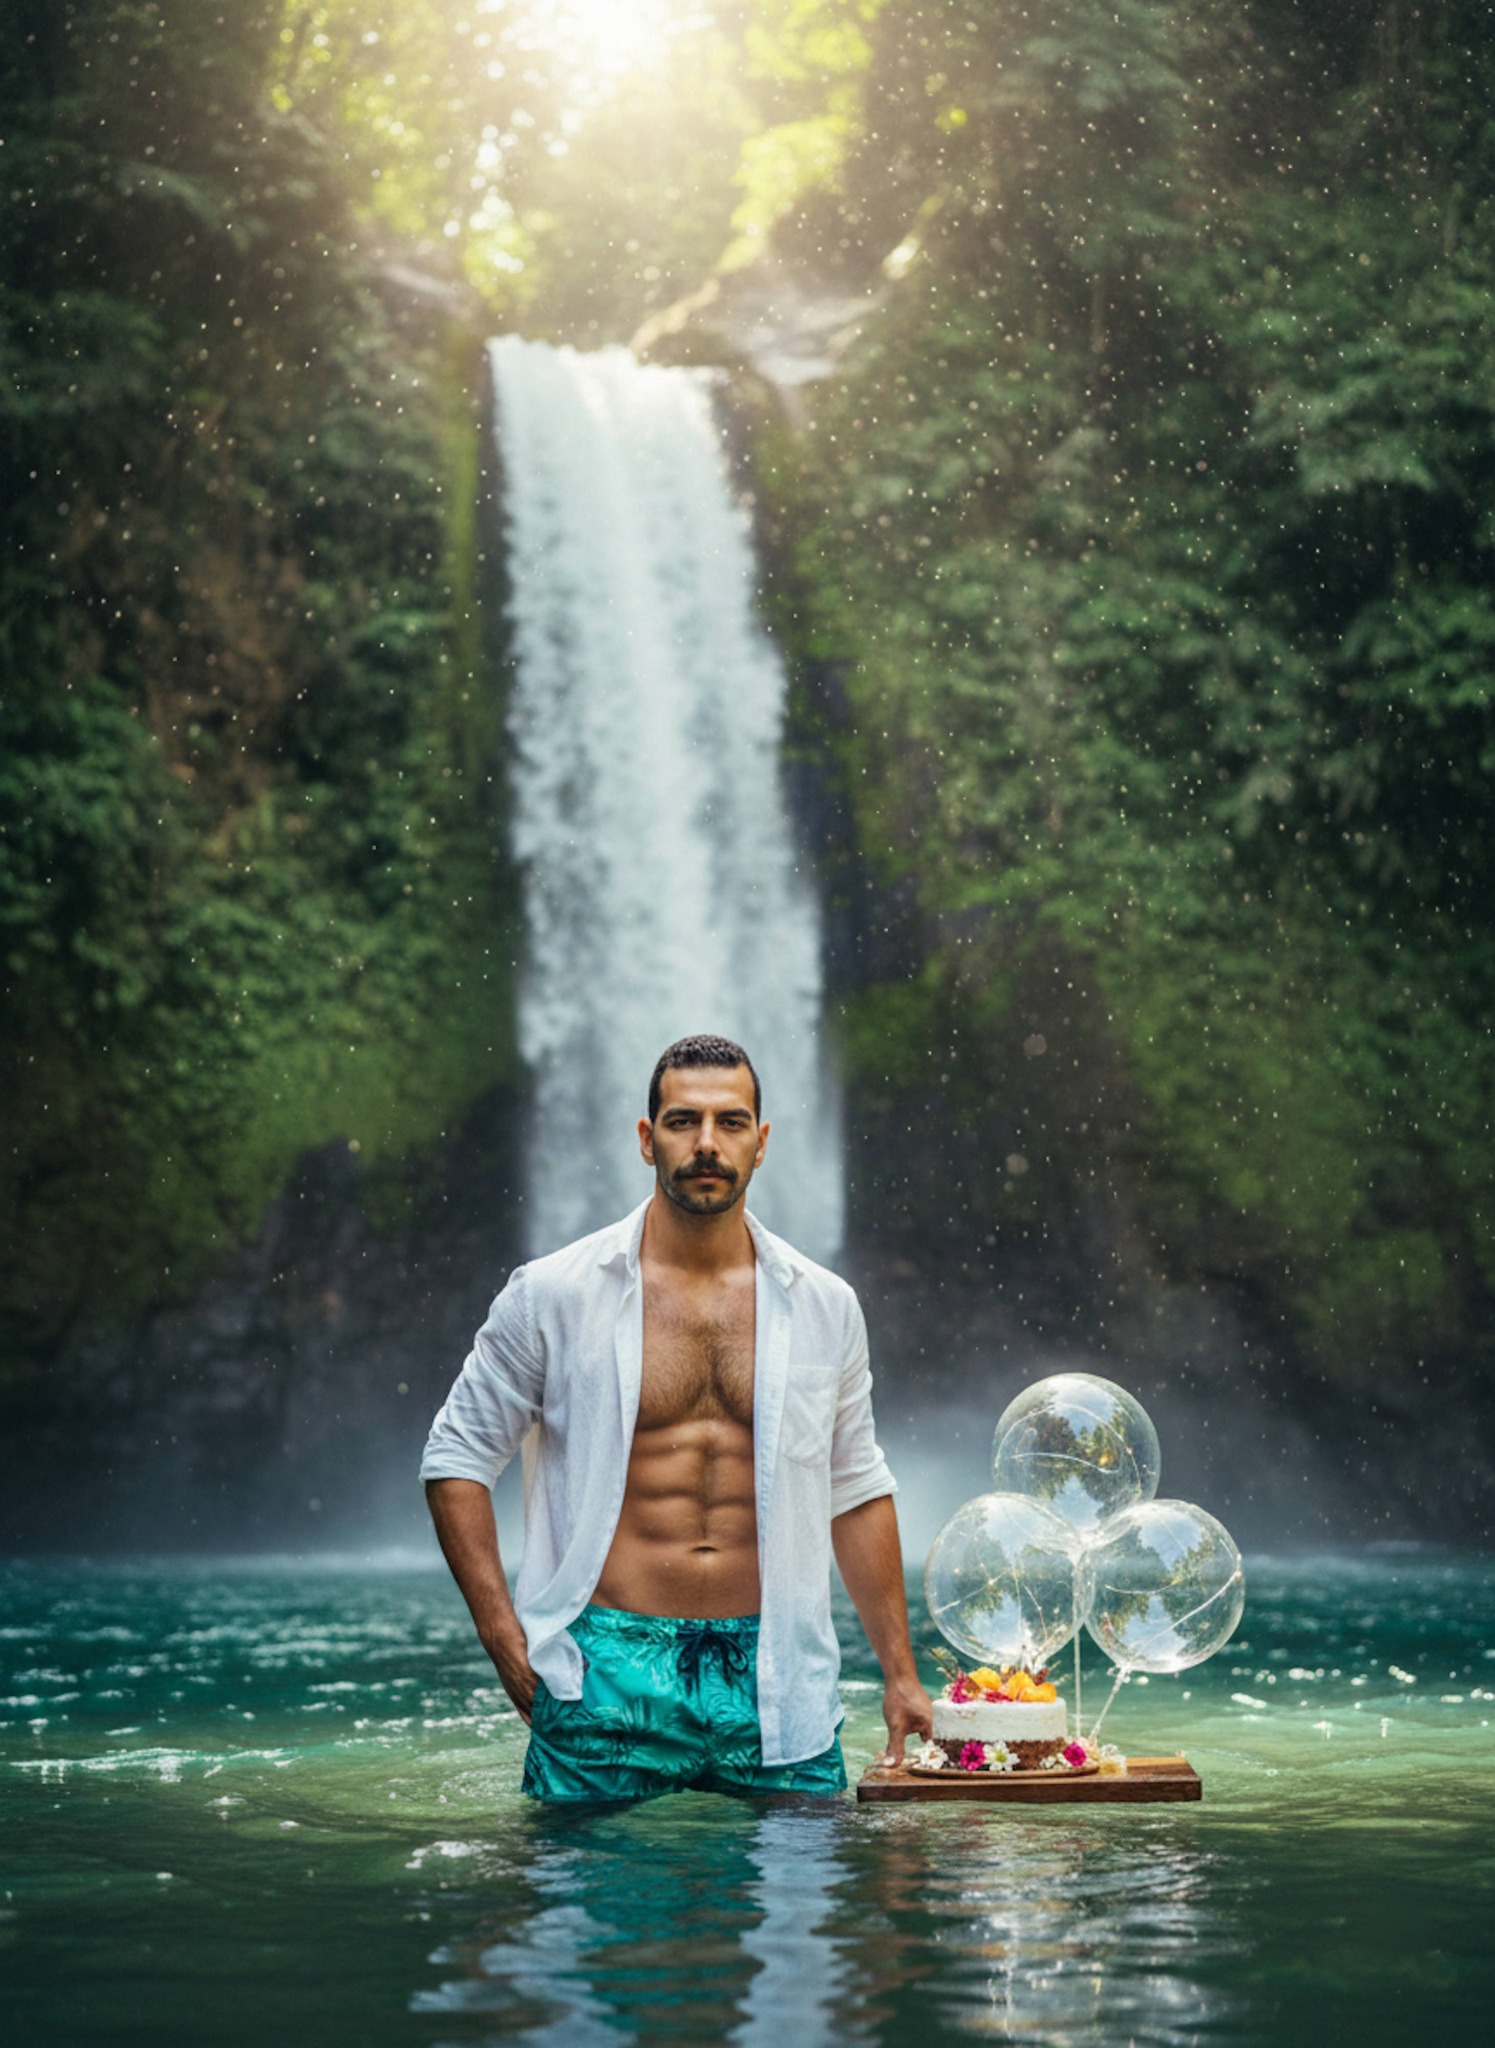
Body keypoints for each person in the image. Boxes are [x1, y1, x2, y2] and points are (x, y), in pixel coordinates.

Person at [421, 1032, 931, 1801]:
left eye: (730, 1124)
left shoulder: (825, 1305)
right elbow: (456, 1455)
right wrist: (501, 1634)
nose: (705, 1144)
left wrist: (900, 1675)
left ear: (761, 1144)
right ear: (644, 1137)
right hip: (606, 1662)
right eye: (681, 1121)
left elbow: (854, 1486)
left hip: (777, 1667)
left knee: (801, 1903)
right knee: (572, 1909)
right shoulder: (553, 1293)